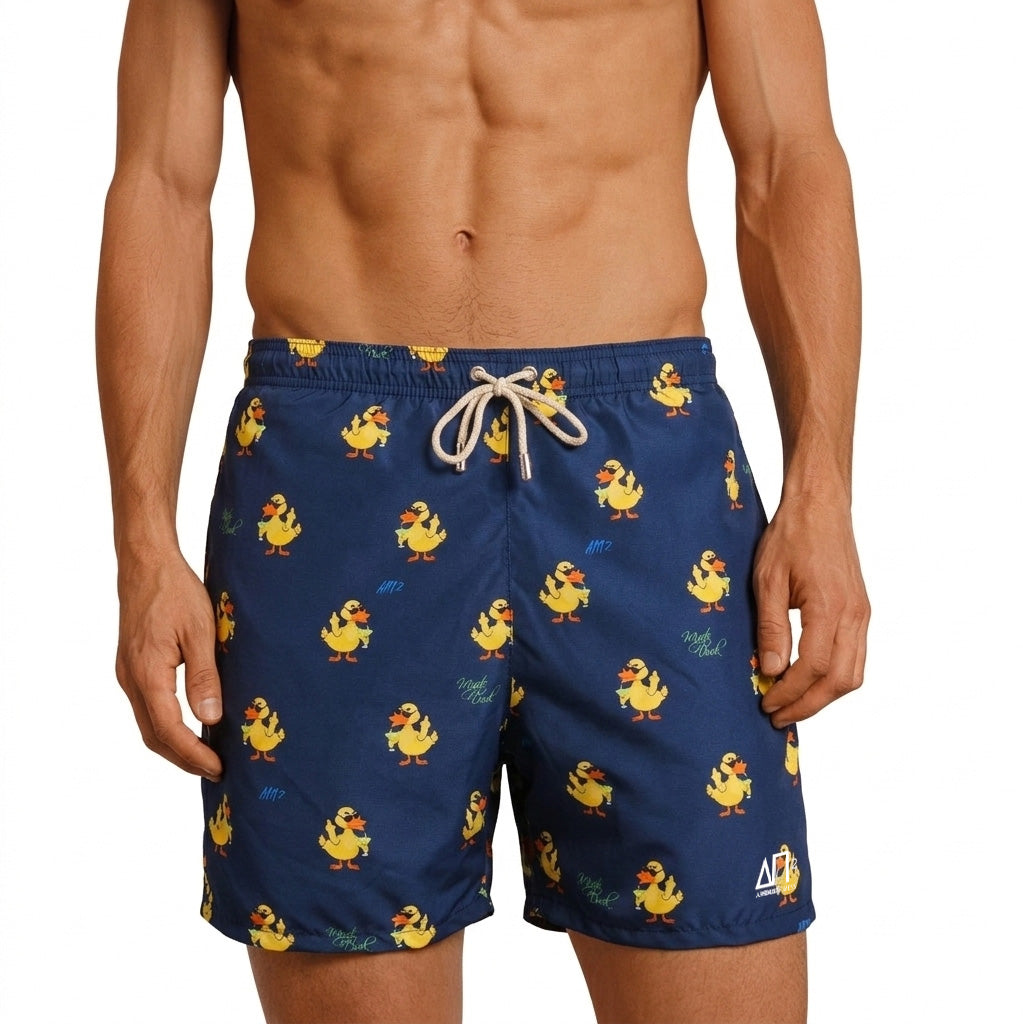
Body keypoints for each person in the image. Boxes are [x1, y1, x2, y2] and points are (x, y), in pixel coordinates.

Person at [96, 1, 869, 1021]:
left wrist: (823, 488)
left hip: (642, 464)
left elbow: (785, 158)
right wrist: (142, 544)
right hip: (335, 475)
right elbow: (160, 183)